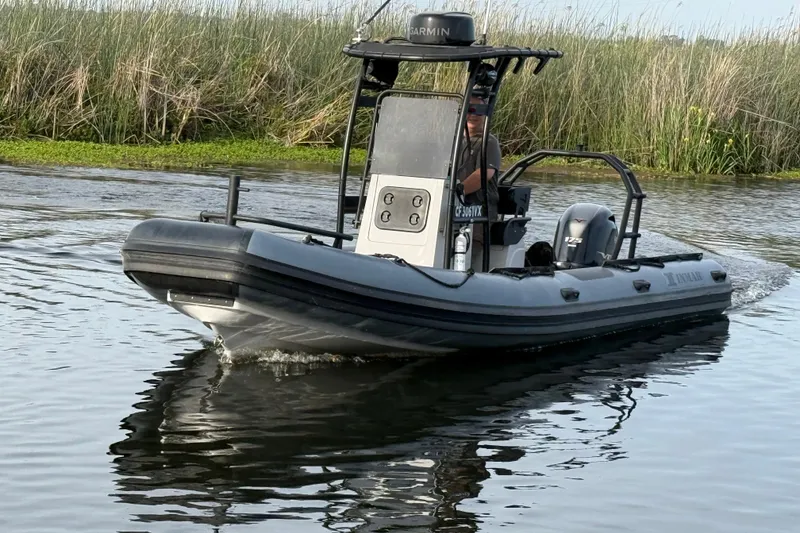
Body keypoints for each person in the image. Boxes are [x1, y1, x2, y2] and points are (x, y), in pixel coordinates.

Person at [455, 95, 501, 267]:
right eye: (470, 109)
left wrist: (457, 191)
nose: (474, 114)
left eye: (478, 110)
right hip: (453, 210)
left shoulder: (488, 142)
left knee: (466, 249)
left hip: (477, 212)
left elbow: (485, 174)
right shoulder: (453, 141)